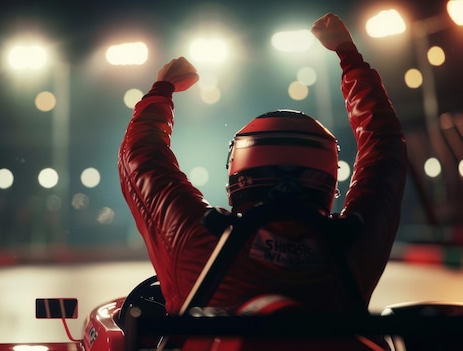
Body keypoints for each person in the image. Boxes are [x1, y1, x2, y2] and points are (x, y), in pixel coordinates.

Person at [118, 13, 407, 350]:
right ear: (328, 176)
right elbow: (385, 147)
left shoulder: (195, 237)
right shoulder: (355, 241)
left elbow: (140, 156)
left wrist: (161, 91)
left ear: (239, 170)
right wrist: (349, 56)